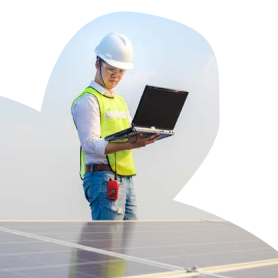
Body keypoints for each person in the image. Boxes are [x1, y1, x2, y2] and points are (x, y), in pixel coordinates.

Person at [71, 33, 159, 220]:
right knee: (106, 244)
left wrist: (142, 137)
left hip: (126, 179)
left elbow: (126, 136)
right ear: (97, 64)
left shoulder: (120, 101)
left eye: (121, 71)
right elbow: (91, 145)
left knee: (125, 244)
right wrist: (132, 144)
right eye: (111, 69)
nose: (116, 76)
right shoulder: (88, 100)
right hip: (103, 179)